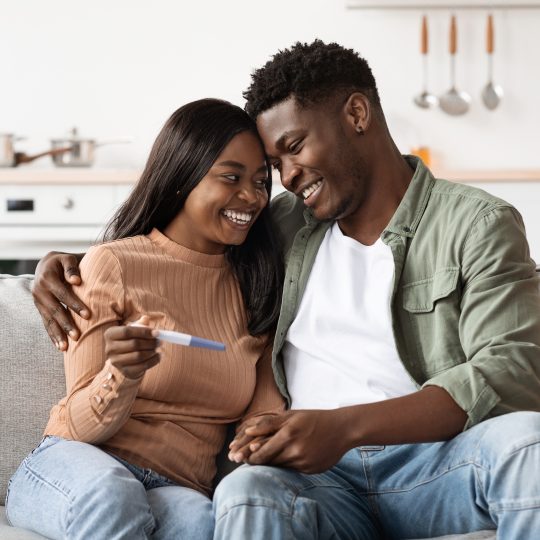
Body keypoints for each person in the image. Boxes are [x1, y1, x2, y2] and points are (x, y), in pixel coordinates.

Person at [31, 41, 540, 539]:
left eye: (294, 148)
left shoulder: (475, 224)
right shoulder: (284, 224)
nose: (286, 178)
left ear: (357, 113)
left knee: (529, 445)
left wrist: (342, 427)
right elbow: (182, 247)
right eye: (275, 165)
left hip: (433, 464)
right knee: (247, 491)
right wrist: (68, 264)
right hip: (313, 481)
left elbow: (511, 370)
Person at [5, 98, 285, 539]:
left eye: (261, 181)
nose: (251, 196)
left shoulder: (259, 288)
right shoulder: (112, 265)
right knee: (113, 494)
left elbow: (261, 420)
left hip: (177, 487)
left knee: (203, 524)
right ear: (181, 178)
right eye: (231, 177)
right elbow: (79, 426)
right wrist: (120, 374)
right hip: (78, 466)